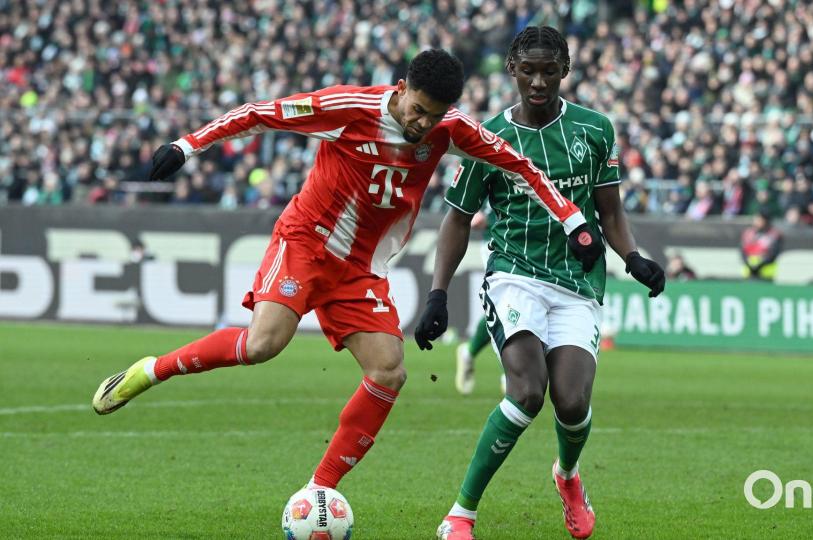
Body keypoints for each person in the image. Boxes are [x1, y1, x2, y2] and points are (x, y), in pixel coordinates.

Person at [91, 49, 604, 494]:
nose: (422, 125)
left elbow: (520, 164)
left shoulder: (451, 128)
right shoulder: (348, 108)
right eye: (418, 111)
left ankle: (319, 491)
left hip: (360, 269)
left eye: (434, 117)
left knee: (389, 370)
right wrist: (187, 145)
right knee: (264, 344)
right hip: (307, 243)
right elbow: (260, 113)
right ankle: (153, 370)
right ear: (401, 89)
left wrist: (574, 221)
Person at [412, 28, 665, 540]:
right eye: (528, 70)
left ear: (565, 70)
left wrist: (634, 258)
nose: (538, 81)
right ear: (512, 68)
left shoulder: (595, 130)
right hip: (515, 275)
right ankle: (460, 514)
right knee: (528, 392)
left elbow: (611, 212)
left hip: (577, 283)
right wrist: (438, 293)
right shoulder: (486, 137)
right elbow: (457, 218)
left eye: (549, 70)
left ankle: (567, 476)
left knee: (571, 403)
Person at [454, 209, 506, 395]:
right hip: (498, 243)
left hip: (533, 245)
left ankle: (469, 352)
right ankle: (508, 373)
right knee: (505, 306)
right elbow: (477, 217)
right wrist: (480, 213)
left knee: (507, 308)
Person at [740, 211, 782, 281]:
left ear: (766, 220)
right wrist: (749, 265)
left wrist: (759, 266)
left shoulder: (774, 235)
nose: (756, 222)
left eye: (759, 219)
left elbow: (773, 254)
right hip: (748, 273)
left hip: (766, 274)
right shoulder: (748, 233)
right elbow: (743, 251)